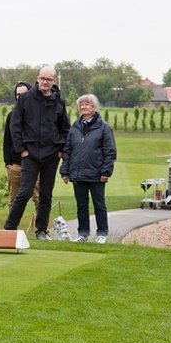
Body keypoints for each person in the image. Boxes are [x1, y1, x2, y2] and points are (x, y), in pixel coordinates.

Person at [3, 66, 70, 240]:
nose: (44, 82)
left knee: (46, 194)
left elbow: (65, 128)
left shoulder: (59, 102)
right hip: (30, 154)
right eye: (42, 78)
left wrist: (61, 150)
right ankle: (9, 228)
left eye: (48, 79)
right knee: (24, 192)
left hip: (51, 154)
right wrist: (22, 150)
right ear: (37, 79)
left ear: (53, 81)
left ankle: (41, 230)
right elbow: (15, 126)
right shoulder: (25, 99)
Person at [60, 94, 117, 243]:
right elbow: (67, 150)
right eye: (82, 105)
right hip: (78, 174)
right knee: (81, 206)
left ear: (94, 107)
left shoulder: (104, 127)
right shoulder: (75, 127)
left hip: (97, 174)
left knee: (99, 204)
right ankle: (83, 234)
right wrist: (65, 171)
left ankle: (102, 234)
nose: (84, 107)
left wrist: (106, 171)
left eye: (87, 104)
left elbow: (110, 151)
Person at [3, 82, 40, 211]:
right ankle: (11, 230)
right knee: (13, 201)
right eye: (18, 94)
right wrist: (8, 163)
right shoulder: (11, 116)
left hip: (34, 164)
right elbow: (7, 140)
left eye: (23, 94)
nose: (20, 97)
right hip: (15, 166)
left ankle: (42, 229)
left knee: (39, 198)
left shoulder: (38, 115)